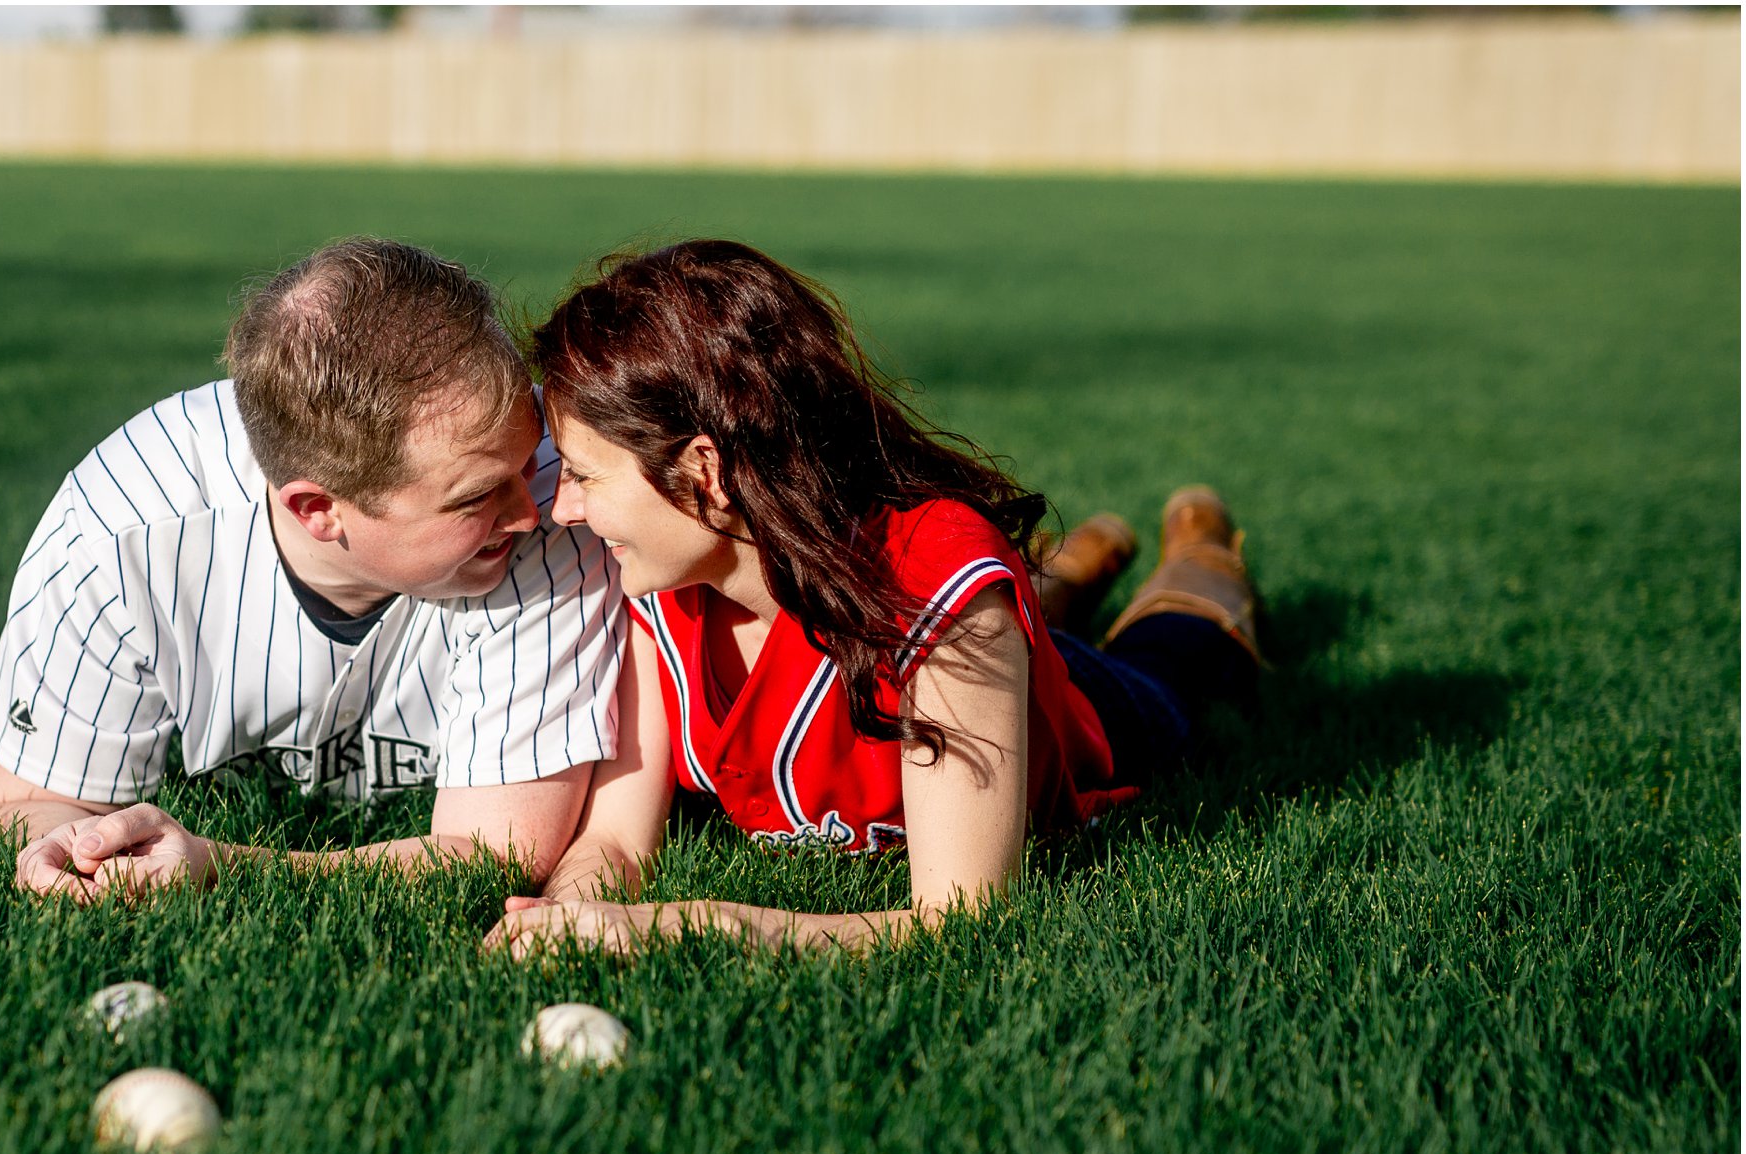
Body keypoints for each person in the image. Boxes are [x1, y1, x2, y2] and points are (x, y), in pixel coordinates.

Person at [488, 239, 1262, 960]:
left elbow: (960, 917)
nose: (564, 511)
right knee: (1024, 595)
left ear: (704, 472)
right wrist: (570, 916)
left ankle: (1199, 552)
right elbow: (617, 841)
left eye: (586, 477)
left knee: (1173, 650)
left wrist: (689, 924)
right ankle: (1069, 569)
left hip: (1103, 706)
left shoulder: (942, 595)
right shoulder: (659, 581)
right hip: (937, 620)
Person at [0, 238, 621, 905]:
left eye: (524, 460)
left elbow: (496, 851)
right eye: (476, 497)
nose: (531, 509)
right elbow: (27, 797)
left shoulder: (559, 496)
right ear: (318, 510)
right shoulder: (125, 521)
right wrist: (78, 852)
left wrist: (221, 863)